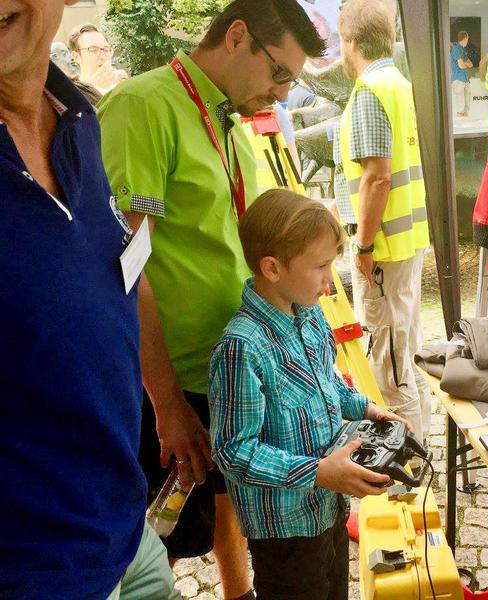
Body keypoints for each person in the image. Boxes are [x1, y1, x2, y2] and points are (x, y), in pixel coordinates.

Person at [97, 1, 326, 597]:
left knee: (226, 498)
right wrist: (166, 399)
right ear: (237, 35)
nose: (280, 95)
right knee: (164, 531)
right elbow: (128, 263)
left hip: (235, 363)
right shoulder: (144, 107)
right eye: (279, 73)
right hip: (176, 372)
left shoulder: (228, 121)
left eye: (292, 84)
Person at [0, 1, 177, 598]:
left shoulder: (80, 118)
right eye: (278, 72)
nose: (278, 89)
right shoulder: (130, 105)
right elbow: (142, 208)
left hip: (125, 531)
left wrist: (166, 401)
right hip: (36, 572)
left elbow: (123, 269)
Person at [209, 189, 410, 599]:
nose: (329, 277)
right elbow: (233, 451)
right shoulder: (242, 348)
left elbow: (328, 382)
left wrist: (370, 409)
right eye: (320, 266)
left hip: (328, 508)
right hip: (284, 534)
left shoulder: (312, 313)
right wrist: (317, 471)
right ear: (273, 268)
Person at [338, 0, 432, 441]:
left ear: (351, 43)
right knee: (404, 354)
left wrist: (363, 245)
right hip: (407, 242)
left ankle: (407, 470)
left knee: (389, 368)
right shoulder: (400, 84)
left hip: (384, 252)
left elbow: (377, 178)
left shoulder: (370, 92)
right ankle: (421, 448)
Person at [68, 23, 127, 94]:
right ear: (76, 57)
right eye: (93, 50)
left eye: (106, 49)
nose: (103, 56)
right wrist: (94, 89)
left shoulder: (121, 84)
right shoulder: (73, 93)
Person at [451, 30, 473, 117]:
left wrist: (465, 63)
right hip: (458, 79)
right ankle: (461, 121)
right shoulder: (456, 49)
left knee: (466, 103)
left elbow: (470, 64)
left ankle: (465, 118)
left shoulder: (463, 50)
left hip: (465, 79)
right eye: (467, 38)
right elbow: (461, 66)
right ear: (464, 38)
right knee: (460, 107)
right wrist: (465, 63)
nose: (468, 40)